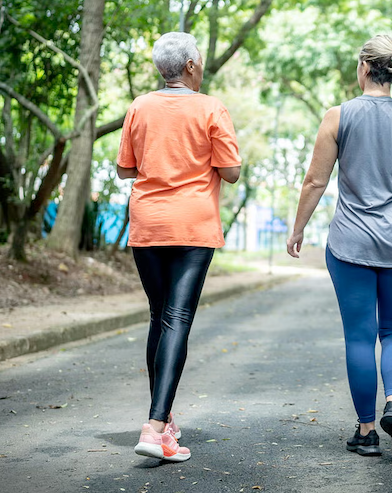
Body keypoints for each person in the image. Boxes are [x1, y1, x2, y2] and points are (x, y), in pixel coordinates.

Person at [286, 34, 392, 457]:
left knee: (359, 337)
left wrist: (298, 229)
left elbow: (315, 181)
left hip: (350, 244)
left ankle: (365, 431)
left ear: (363, 68)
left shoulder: (337, 117)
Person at [116, 32, 243, 463]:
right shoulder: (210, 107)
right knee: (177, 317)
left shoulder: (139, 106)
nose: (203, 64)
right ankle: (154, 426)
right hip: (191, 226)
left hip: (148, 224)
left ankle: (164, 419)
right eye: (201, 59)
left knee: (160, 316)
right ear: (189, 66)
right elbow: (230, 173)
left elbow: (124, 169)